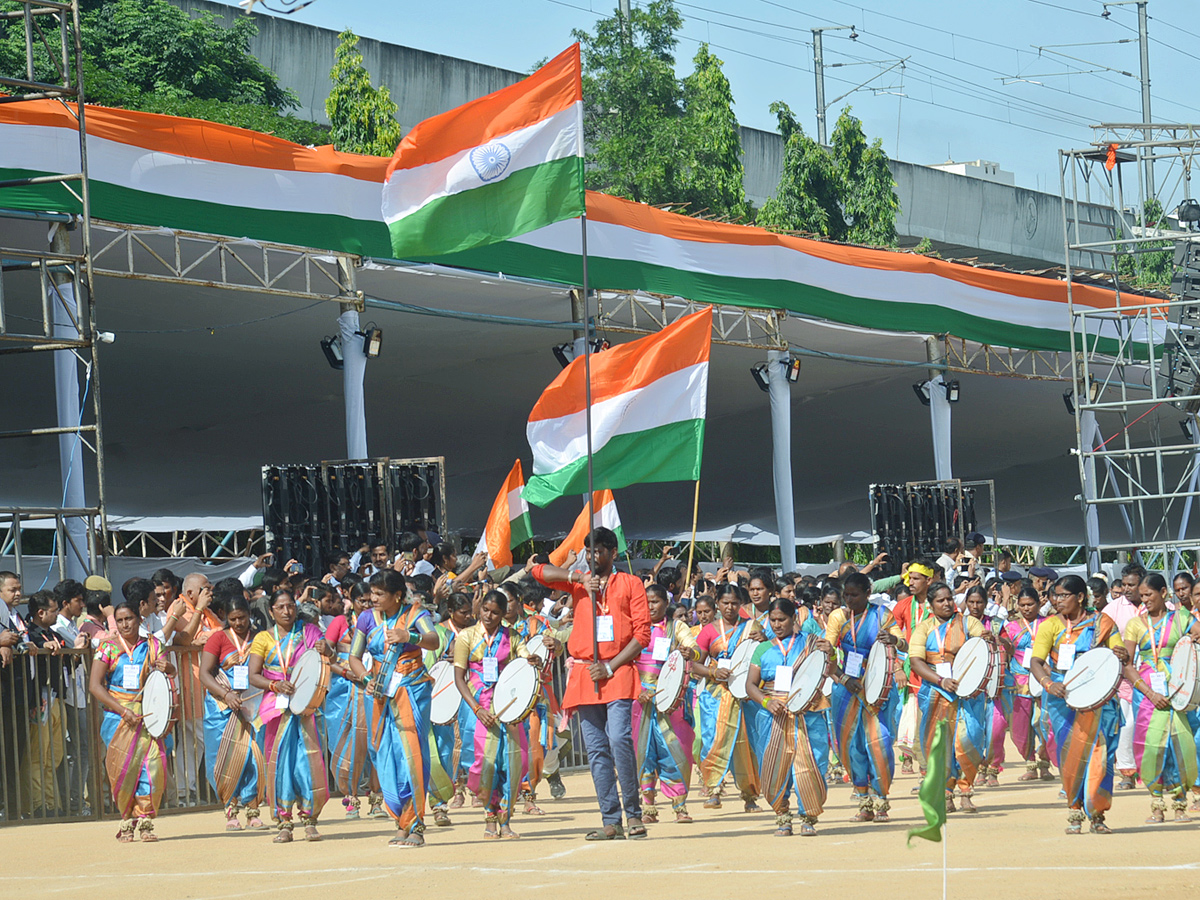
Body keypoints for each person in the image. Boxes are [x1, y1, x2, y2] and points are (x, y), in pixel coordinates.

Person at [529, 526, 652, 841]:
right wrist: (576, 578)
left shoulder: (631, 583)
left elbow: (642, 635)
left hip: (617, 671)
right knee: (597, 750)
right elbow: (537, 571)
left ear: (612, 553)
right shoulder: (580, 585)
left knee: (620, 740)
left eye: (598, 551)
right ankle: (611, 820)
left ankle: (634, 814)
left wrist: (610, 666)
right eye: (589, 551)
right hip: (584, 675)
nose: (592, 556)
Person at [1030, 574, 1129, 835]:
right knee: (1070, 753)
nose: (1057, 601)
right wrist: (1049, 684)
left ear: (1081, 597)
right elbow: (1036, 662)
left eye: (1064, 596)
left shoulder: (1102, 623)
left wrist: (1121, 653)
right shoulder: (1050, 625)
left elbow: (1118, 654)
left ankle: (1097, 813)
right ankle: (1074, 808)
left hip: (1099, 698)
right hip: (1063, 697)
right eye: (1055, 596)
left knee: (1101, 754)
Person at [349, 569, 439, 847]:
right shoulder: (366, 619)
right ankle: (400, 820)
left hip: (411, 690)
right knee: (381, 752)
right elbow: (354, 657)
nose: (372, 599)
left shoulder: (415, 615)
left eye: (379, 594)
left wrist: (408, 637)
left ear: (397, 595)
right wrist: (366, 679)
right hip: (378, 692)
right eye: (371, 593)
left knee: (410, 753)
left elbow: (434, 640)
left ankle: (416, 824)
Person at [248, 588, 336, 843]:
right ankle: (284, 822)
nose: (287, 611)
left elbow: (326, 658)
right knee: (280, 764)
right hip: (277, 707)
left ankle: (310, 819)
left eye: (290, 606)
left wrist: (327, 651)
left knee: (307, 763)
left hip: (306, 706)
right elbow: (254, 674)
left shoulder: (309, 632)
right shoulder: (263, 638)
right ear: (271, 611)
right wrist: (275, 685)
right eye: (281, 607)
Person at [88, 598, 176, 842]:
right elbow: (95, 686)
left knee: (152, 766)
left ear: (140, 619)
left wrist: (168, 667)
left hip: (146, 714)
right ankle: (127, 820)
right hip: (117, 717)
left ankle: (146, 820)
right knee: (123, 769)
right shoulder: (107, 648)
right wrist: (121, 710)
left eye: (129, 619)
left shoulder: (153, 644)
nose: (125, 625)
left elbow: (171, 673)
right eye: (120, 621)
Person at [823, 572, 905, 823]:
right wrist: (841, 677)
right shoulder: (838, 616)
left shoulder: (882, 615)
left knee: (879, 741)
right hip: (847, 686)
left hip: (877, 685)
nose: (848, 599)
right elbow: (827, 651)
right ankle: (863, 800)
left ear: (868, 594)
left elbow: (902, 642)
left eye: (854, 595)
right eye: (845, 595)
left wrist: (893, 640)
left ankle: (881, 798)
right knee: (849, 743)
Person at [452, 589, 532, 839]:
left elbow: (525, 661)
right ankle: (489, 817)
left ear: (503, 614)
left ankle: (505, 820)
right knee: (484, 764)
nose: (488, 615)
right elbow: (459, 677)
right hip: (479, 709)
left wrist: (535, 659)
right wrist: (476, 709)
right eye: (485, 610)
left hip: (507, 708)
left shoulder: (513, 637)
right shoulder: (466, 637)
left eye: (495, 612)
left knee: (512, 762)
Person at [745, 598, 829, 836]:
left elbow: (828, 669)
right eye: (773, 620)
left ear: (794, 619)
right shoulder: (763, 649)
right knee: (774, 765)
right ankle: (782, 814)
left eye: (782, 619)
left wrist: (830, 654)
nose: (777, 624)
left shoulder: (812, 643)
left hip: (807, 713)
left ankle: (808, 816)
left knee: (812, 763)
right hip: (773, 715)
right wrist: (766, 701)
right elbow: (750, 685)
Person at [908, 581, 993, 814]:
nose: (947, 603)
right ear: (930, 605)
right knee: (940, 743)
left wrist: (986, 640)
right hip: (936, 692)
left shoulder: (968, 623)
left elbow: (981, 644)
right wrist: (940, 680)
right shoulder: (923, 628)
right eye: (940, 600)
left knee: (971, 738)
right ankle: (947, 791)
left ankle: (966, 789)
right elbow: (916, 661)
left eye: (949, 599)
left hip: (968, 693)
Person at [1122, 573, 1200, 824]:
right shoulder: (1135, 624)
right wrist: (1149, 692)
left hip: (1177, 688)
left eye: (1149, 595)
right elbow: (1127, 664)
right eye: (1142, 596)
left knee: (1178, 745)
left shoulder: (1181, 618)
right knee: (1150, 747)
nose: (1144, 600)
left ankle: (1179, 803)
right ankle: (1156, 803)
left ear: (1164, 593)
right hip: (1146, 693)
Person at [632, 584, 701, 824]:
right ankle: (648, 807)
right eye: (646, 602)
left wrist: (690, 652)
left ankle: (680, 806)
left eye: (655, 602)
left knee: (677, 751)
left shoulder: (676, 627)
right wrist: (637, 691)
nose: (650, 606)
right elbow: (624, 662)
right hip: (640, 701)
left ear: (665, 603)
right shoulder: (633, 628)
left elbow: (695, 649)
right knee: (644, 752)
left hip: (670, 702)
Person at [198, 597, 267, 831]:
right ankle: (230, 809)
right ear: (225, 618)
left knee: (252, 756)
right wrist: (225, 695)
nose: (238, 623)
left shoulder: (260, 638)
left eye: (242, 618)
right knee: (223, 758)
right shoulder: (218, 637)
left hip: (252, 705)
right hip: (221, 708)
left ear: (250, 615)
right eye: (233, 619)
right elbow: (205, 674)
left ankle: (253, 809)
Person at [1002, 586, 1053, 782]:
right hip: (1019, 679)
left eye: (1030, 604)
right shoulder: (1011, 627)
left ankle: (1045, 762)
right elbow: (1006, 648)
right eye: (1022, 605)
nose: (1026, 608)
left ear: (1039, 604)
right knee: (1022, 726)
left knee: (1043, 722)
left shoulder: (1049, 623)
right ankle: (1030, 764)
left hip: (1043, 675)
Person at [23, 590, 66, 817]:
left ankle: (52, 804)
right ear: (41, 612)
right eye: (54, 610)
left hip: (55, 697)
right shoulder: (29, 634)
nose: (58, 613)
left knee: (54, 756)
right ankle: (37, 805)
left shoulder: (54, 633)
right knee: (37, 755)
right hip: (39, 699)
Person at [51, 581, 92, 814]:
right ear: (65, 603)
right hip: (66, 696)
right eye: (78, 600)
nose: (82, 604)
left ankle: (74, 800)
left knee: (79, 750)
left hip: (77, 695)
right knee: (75, 751)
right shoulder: (57, 627)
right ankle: (73, 802)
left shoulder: (75, 627)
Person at [892, 561, 935, 775]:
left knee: (930, 718)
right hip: (910, 671)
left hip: (934, 669)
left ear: (929, 580)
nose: (910, 582)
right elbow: (889, 636)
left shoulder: (940, 603)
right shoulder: (903, 606)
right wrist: (897, 666)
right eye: (909, 577)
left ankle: (929, 768)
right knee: (909, 714)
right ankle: (914, 761)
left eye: (916, 578)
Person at [1104, 563, 1144, 792]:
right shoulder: (1112, 609)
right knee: (1126, 724)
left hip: (1152, 674)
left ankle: (1154, 770)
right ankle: (1127, 772)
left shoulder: (1160, 606)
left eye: (1132, 585)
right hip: (1123, 676)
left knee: (1148, 723)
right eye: (1125, 584)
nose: (1127, 589)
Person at [964, 586, 1008, 788]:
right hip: (969, 686)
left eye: (979, 602)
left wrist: (998, 640)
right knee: (974, 729)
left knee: (996, 728)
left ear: (985, 603)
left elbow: (1010, 647)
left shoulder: (996, 624)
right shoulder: (960, 624)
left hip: (993, 685)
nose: (975, 606)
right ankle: (978, 766)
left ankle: (993, 767)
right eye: (971, 602)